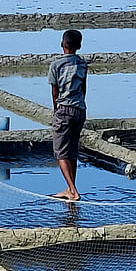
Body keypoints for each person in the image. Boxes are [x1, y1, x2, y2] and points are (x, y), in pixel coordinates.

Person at [48, 29, 88, 201]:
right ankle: (70, 188)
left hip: (64, 110)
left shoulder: (56, 65)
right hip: (80, 110)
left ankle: (73, 191)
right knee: (71, 151)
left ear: (62, 44)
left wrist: (56, 109)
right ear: (79, 46)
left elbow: (55, 92)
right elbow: (83, 89)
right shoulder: (82, 64)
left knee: (60, 152)